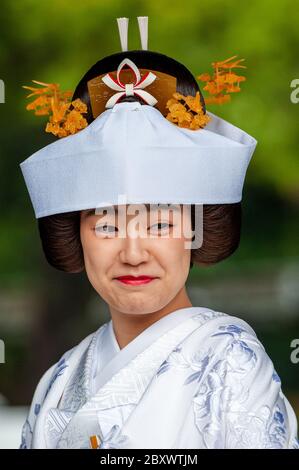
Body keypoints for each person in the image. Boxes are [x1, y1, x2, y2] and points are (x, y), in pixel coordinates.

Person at [19, 16, 298, 449]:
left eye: (161, 223)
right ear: (76, 232)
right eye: (108, 225)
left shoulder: (229, 363)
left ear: (195, 229)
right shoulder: (58, 380)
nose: (134, 253)